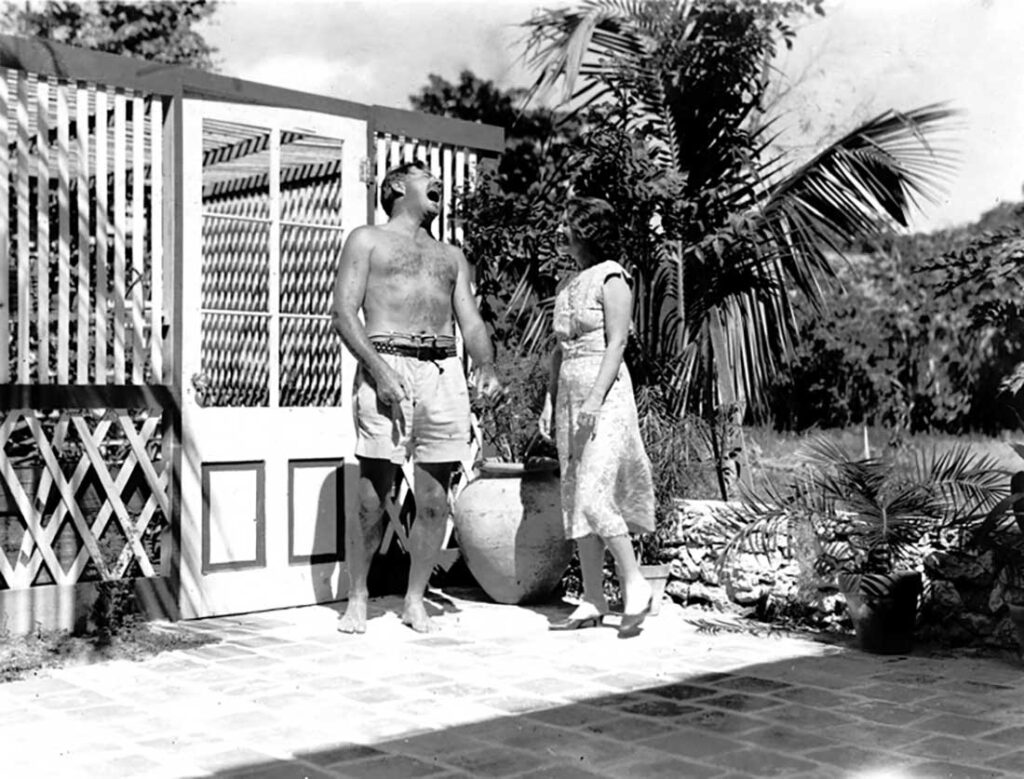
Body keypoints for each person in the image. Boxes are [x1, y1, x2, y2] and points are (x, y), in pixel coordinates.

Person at [330, 160, 500, 634]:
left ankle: (414, 599)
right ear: (397, 187)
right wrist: (378, 371)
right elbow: (344, 314)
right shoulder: (367, 240)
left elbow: (469, 320)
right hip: (386, 361)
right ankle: (358, 595)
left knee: (433, 499)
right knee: (372, 493)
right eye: (426, 176)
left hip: (443, 370)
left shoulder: (451, 256)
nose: (437, 183)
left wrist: (485, 366)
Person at [538, 196, 656, 638]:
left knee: (593, 491)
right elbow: (558, 351)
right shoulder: (570, 284)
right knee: (574, 492)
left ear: (586, 229)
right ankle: (592, 597)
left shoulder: (612, 278)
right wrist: (551, 401)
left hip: (604, 396)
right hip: (570, 392)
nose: (560, 229)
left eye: (567, 222)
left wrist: (593, 399)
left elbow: (617, 344)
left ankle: (634, 581)